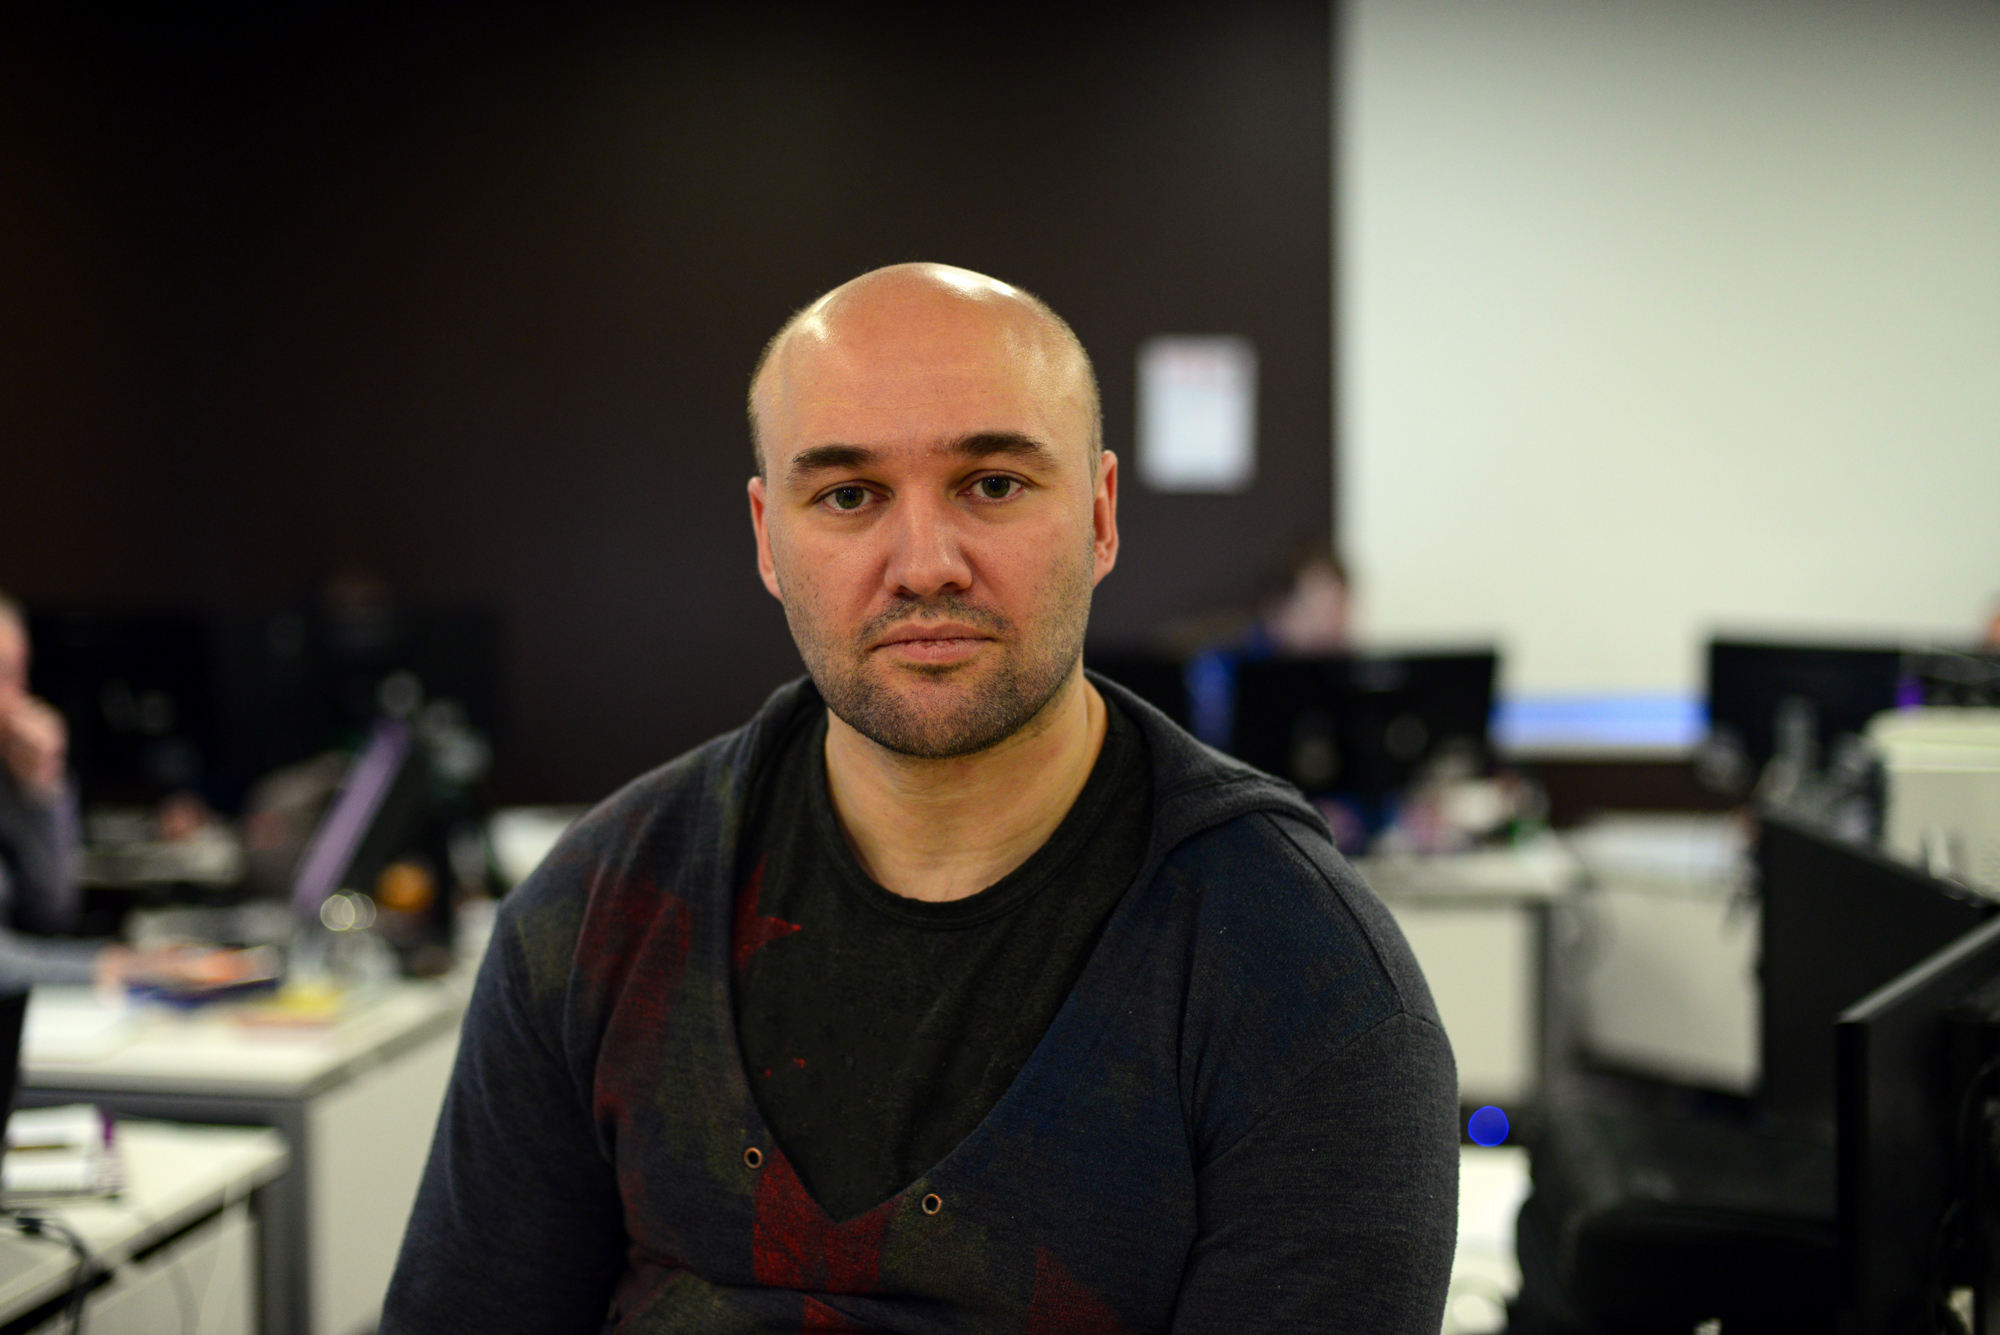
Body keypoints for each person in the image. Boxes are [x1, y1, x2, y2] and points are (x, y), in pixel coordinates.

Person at [383, 264, 1457, 1333]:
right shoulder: (598, 913)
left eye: (992, 484)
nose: (925, 564)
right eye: (848, 496)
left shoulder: (1300, 978)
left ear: (1099, 516)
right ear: (766, 538)